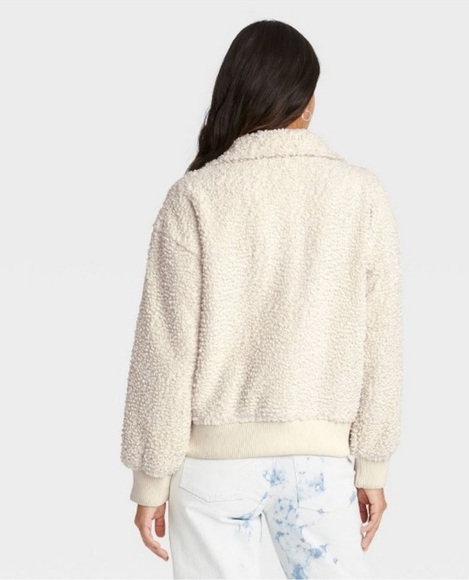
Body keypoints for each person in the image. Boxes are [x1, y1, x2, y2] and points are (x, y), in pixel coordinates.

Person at [120, 18, 403, 580]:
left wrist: (151, 478)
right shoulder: (361, 195)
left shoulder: (194, 196)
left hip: (213, 469)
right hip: (319, 467)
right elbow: (381, 342)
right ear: (306, 101)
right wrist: (373, 464)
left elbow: (166, 351)